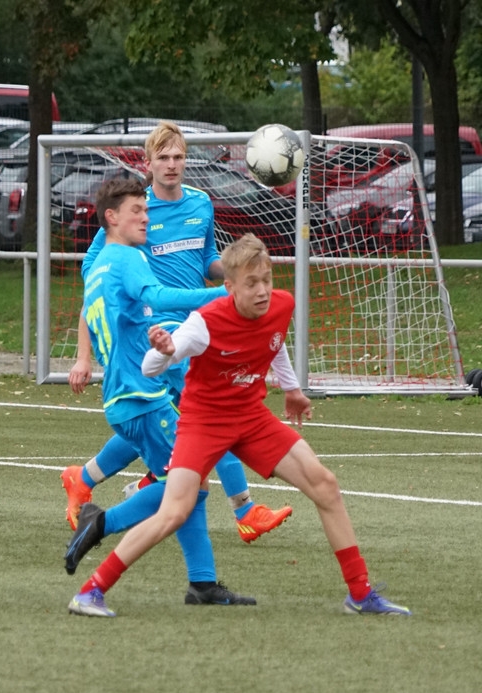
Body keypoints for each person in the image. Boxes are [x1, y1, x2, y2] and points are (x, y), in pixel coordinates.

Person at [68, 232, 412, 617]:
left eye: (266, 279)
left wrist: (292, 389)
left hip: (251, 416)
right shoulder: (204, 323)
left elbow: (274, 340)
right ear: (230, 288)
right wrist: (164, 352)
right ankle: (90, 592)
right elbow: (150, 367)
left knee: (325, 485)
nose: (263, 290)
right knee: (174, 511)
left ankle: (360, 594)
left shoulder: (281, 304)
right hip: (204, 422)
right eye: (251, 283)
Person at [63, 121, 292, 543]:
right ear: (148, 163)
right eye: (163, 157)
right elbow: (95, 271)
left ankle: (87, 477)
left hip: (197, 324)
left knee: (168, 418)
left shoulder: (201, 203)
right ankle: (244, 509)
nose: (171, 164)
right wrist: (86, 349)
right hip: (158, 330)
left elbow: (207, 260)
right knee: (214, 409)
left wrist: (239, 271)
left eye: (178, 157)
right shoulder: (135, 212)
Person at [62, 179, 253, 616]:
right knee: (185, 486)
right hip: (141, 396)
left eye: (146, 210)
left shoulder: (100, 266)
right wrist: (221, 294)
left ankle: (202, 583)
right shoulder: (127, 258)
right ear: (112, 218)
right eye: (136, 210)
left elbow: (121, 315)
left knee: (192, 485)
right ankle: (102, 522)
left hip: (123, 396)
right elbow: (158, 296)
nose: (146, 217)